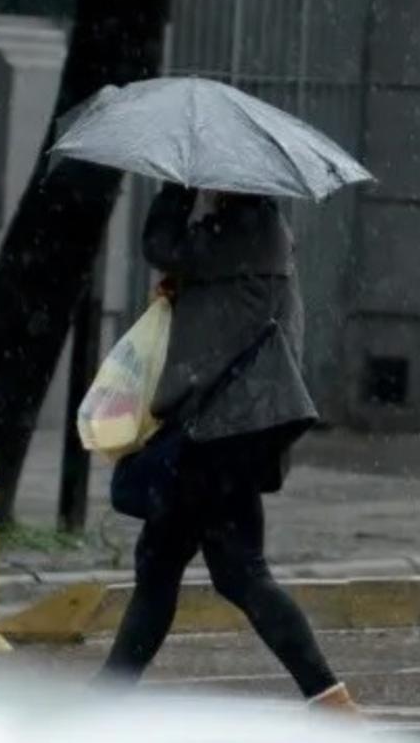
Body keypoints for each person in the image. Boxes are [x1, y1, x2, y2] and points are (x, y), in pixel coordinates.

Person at [97, 184, 356, 711]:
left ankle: (101, 703)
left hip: (216, 429)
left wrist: (175, 189)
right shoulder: (256, 229)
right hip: (231, 431)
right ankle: (328, 697)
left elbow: (160, 245)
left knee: (189, 570)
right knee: (211, 570)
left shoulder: (245, 226)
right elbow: (218, 306)